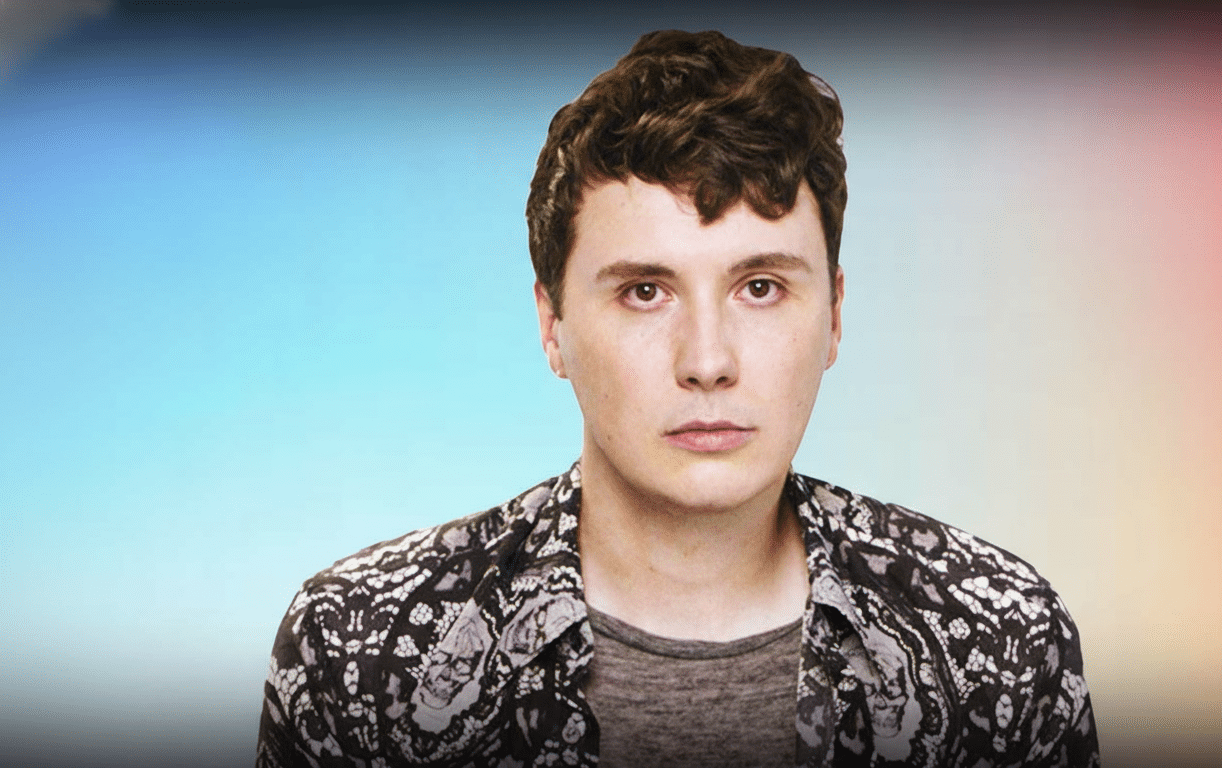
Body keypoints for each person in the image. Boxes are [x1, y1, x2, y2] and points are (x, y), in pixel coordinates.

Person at [256, 29, 1099, 767]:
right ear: (552, 324)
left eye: (761, 287)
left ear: (835, 315)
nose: (708, 360)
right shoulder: (357, 652)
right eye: (645, 292)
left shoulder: (1002, 637)